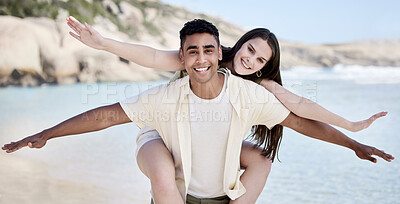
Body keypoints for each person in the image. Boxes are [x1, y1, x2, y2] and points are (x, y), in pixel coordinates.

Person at [3, 19, 394, 204]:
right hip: (162, 130)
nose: (251, 60)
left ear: (264, 67)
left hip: (211, 131)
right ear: (232, 48)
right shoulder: (197, 65)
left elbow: (304, 116)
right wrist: (104, 45)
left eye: (259, 60)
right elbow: (114, 103)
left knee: (261, 157)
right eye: (249, 50)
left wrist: (351, 138)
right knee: (162, 168)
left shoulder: (257, 91)